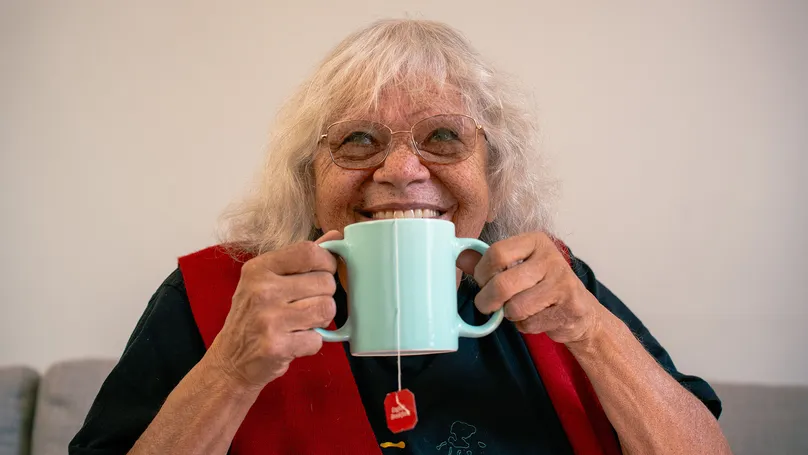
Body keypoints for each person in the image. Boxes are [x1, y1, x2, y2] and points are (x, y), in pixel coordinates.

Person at [69, 19, 731, 455]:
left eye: (444, 136)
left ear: (493, 175)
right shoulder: (215, 296)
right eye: (359, 139)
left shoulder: (553, 285)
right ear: (310, 179)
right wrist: (231, 369)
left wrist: (591, 331)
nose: (401, 170)